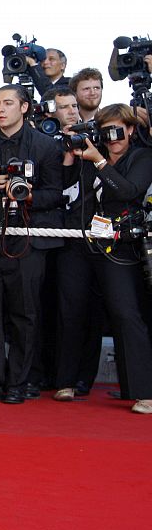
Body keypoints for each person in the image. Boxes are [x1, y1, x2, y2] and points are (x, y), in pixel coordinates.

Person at [0, 84, 63, 404]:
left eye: (8, 103)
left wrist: (30, 196)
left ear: (25, 107)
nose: (1, 109)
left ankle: (19, 382)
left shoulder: (46, 146)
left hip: (28, 242)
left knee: (25, 314)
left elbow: (56, 193)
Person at [54, 104, 152, 414]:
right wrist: (72, 158)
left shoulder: (142, 157)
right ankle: (66, 381)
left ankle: (143, 391)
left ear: (132, 130)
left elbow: (128, 191)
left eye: (118, 131)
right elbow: (69, 195)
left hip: (120, 247)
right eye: (105, 132)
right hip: (83, 242)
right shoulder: (89, 157)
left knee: (125, 314)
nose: (112, 139)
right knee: (72, 309)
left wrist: (98, 161)